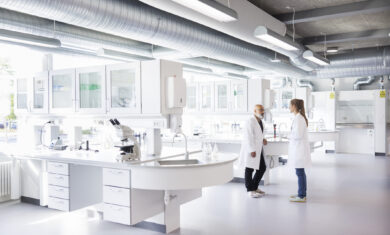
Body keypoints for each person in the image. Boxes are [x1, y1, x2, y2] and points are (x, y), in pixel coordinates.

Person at [240, 104, 268, 198]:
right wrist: (251, 149)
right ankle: (249, 190)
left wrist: (263, 139)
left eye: (263, 110)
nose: (262, 111)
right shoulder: (250, 121)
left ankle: (254, 187)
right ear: (254, 111)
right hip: (251, 148)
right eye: (260, 110)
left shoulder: (260, 121)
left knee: (262, 167)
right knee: (249, 169)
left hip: (258, 148)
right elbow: (248, 136)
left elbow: (258, 135)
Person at [288, 99, 311, 202]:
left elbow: (298, 135)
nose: (289, 107)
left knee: (300, 172)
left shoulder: (299, 119)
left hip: (299, 150)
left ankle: (302, 195)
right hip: (298, 148)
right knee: (300, 172)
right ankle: (301, 193)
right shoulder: (298, 118)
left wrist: (290, 136)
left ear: (294, 106)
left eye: (290, 105)